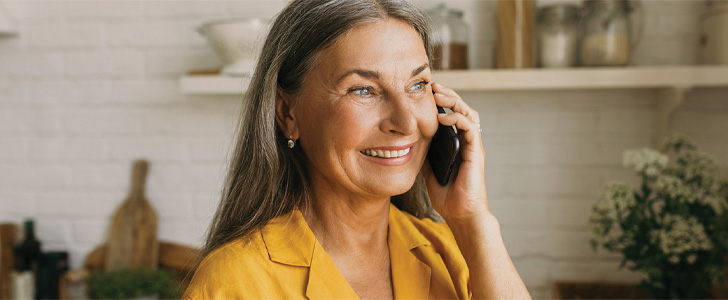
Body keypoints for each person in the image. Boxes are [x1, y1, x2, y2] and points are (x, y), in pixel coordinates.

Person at [183, 0, 530, 299]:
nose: (407, 123)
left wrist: (472, 221)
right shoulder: (232, 283)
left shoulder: (455, 250)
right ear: (288, 114)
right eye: (363, 89)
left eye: (418, 84)